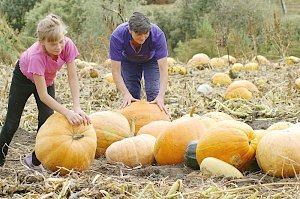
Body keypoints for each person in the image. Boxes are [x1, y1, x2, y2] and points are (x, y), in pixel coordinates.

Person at [0, 14, 91, 172]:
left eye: (60, 41)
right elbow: (43, 95)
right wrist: (67, 113)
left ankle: (34, 161)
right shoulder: (37, 55)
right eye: (52, 43)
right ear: (41, 41)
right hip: (23, 79)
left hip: (46, 80)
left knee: (46, 119)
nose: (58, 47)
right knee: (12, 122)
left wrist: (76, 107)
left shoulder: (67, 45)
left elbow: (73, 78)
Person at [109, 11, 168, 113]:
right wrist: (125, 94)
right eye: (138, 34)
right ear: (130, 30)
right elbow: (115, 72)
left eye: (146, 34)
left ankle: (155, 123)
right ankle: (134, 123)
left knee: (154, 92)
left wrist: (161, 96)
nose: (142, 37)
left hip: (151, 60)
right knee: (131, 94)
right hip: (128, 61)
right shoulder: (117, 36)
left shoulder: (157, 34)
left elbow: (163, 69)